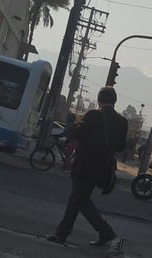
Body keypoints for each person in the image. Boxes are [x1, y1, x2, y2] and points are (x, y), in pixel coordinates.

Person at [46, 87, 128, 246]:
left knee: (80, 199)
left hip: (84, 164)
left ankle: (105, 231)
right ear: (115, 101)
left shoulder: (93, 115)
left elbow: (76, 134)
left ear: (99, 100)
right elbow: (120, 147)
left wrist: (71, 123)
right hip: (103, 168)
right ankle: (62, 234)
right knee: (76, 198)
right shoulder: (122, 121)